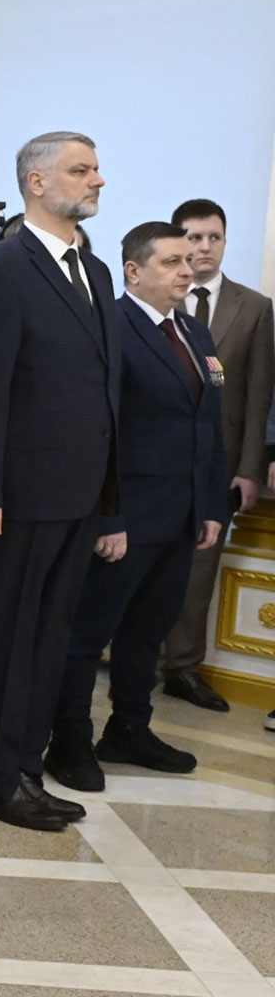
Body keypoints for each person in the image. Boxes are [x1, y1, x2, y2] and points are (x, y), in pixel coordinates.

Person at [0, 131, 119, 832]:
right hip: (19, 497)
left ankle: (26, 764)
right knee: (7, 640)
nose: (97, 180)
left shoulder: (96, 269)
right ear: (36, 182)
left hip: (79, 493)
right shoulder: (2, 267)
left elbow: (107, 391)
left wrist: (110, 498)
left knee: (49, 639)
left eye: (96, 169)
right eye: (81, 170)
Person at [45, 222, 225, 793]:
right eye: (171, 262)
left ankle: (129, 728)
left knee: (148, 632)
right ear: (133, 270)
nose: (187, 270)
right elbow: (103, 431)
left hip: (181, 515)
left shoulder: (195, 332)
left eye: (188, 261)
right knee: (89, 632)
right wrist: (109, 515)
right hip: (127, 516)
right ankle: (69, 739)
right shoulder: (114, 328)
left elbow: (210, 425)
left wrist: (211, 505)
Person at [161, 198, 272, 712]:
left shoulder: (254, 307)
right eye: (194, 237)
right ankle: (133, 659)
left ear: (225, 242)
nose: (204, 247)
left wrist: (250, 469)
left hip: (218, 466)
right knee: (144, 567)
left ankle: (183, 668)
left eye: (214, 237)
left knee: (199, 571)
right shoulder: (157, 298)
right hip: (157, 464)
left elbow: (258, 396)